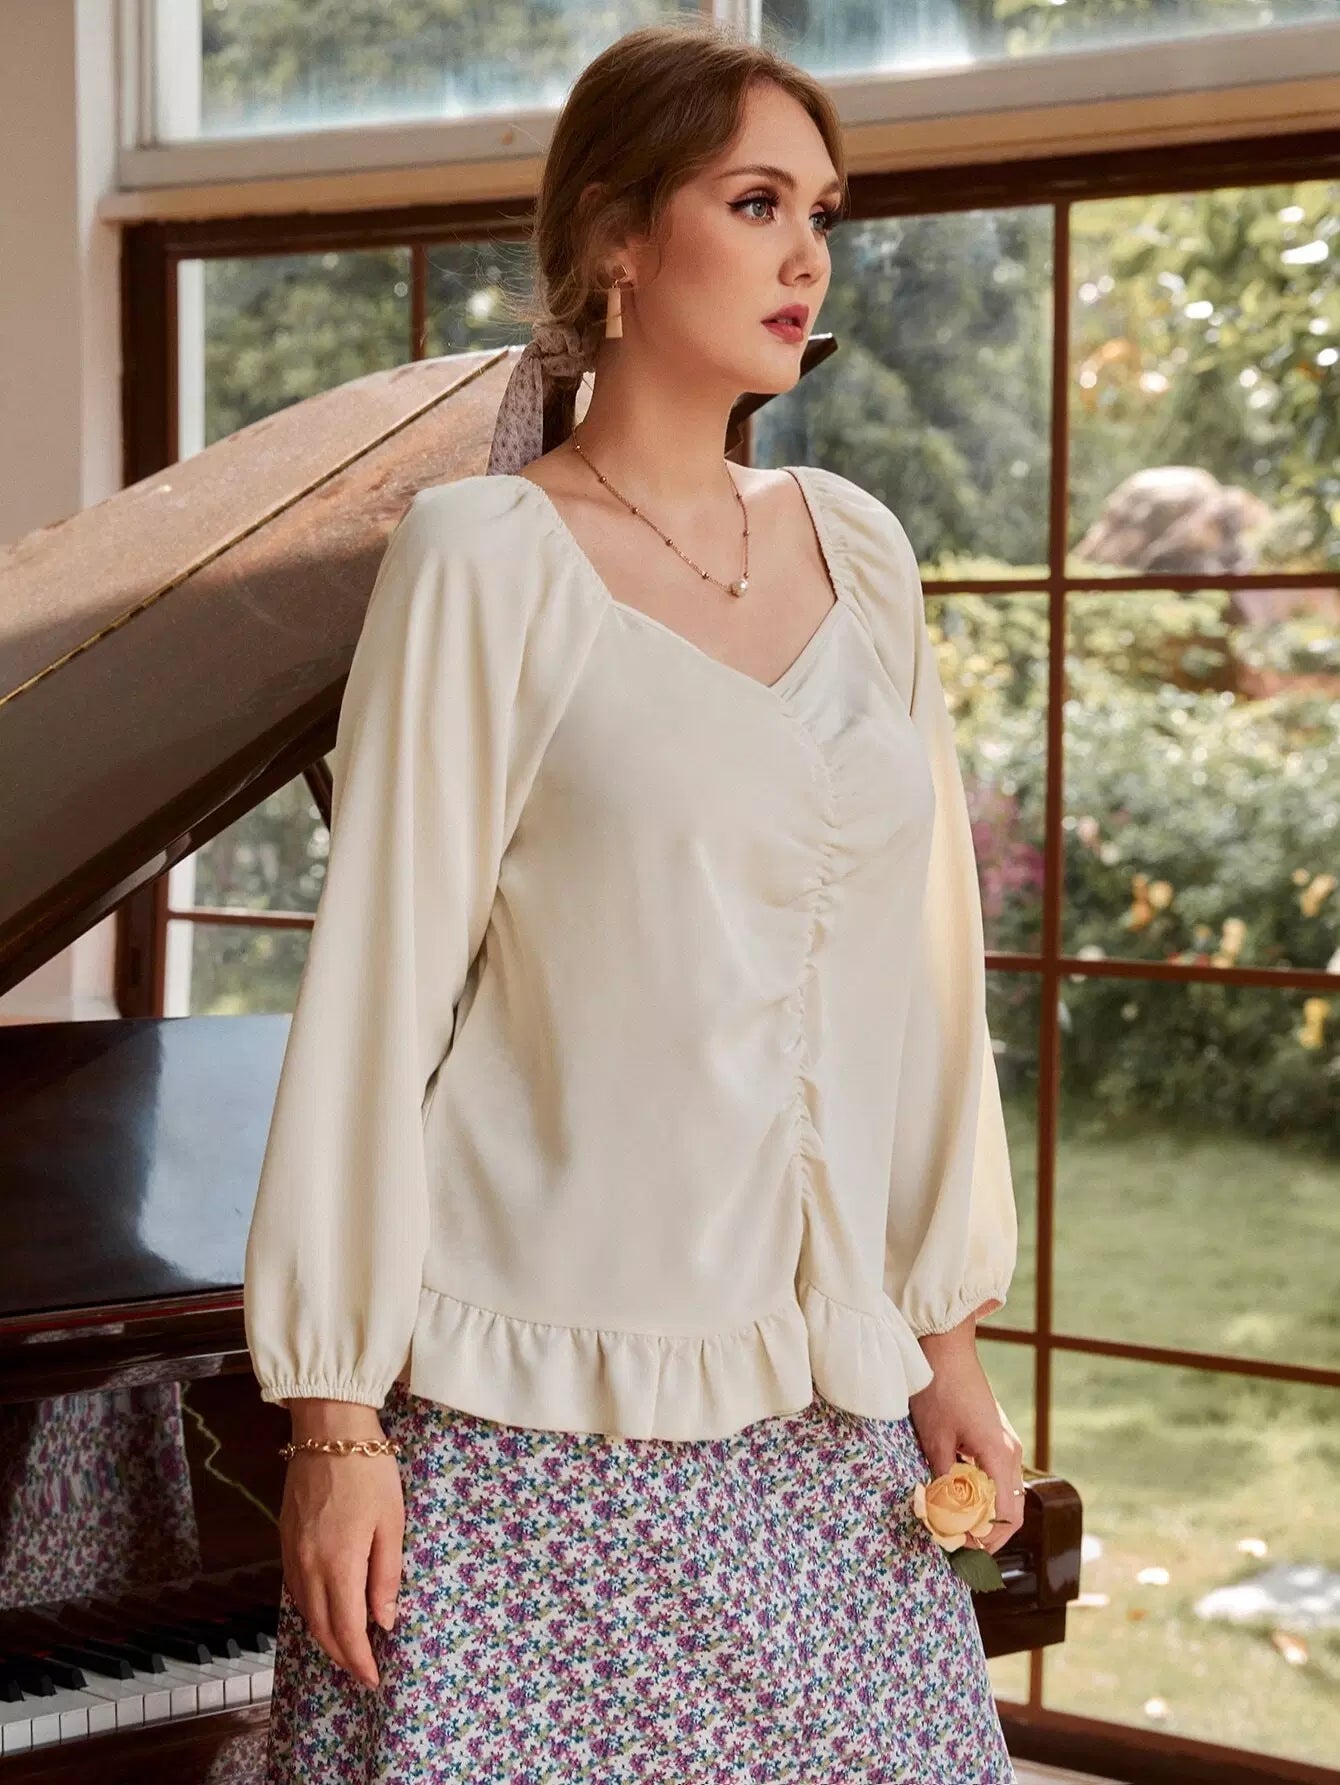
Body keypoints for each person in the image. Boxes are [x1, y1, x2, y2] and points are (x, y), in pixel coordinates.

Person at [243, 17, 1024, 1783]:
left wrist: (947, 1339)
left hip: (827, 1430)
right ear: (614, 237)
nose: (807, 253)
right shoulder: (485, 559)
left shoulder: (860, 549)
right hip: (535, 1432)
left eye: (823, 211)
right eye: (755, 203)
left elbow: (927, 980)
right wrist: (336, 1421)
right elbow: (377, 994)